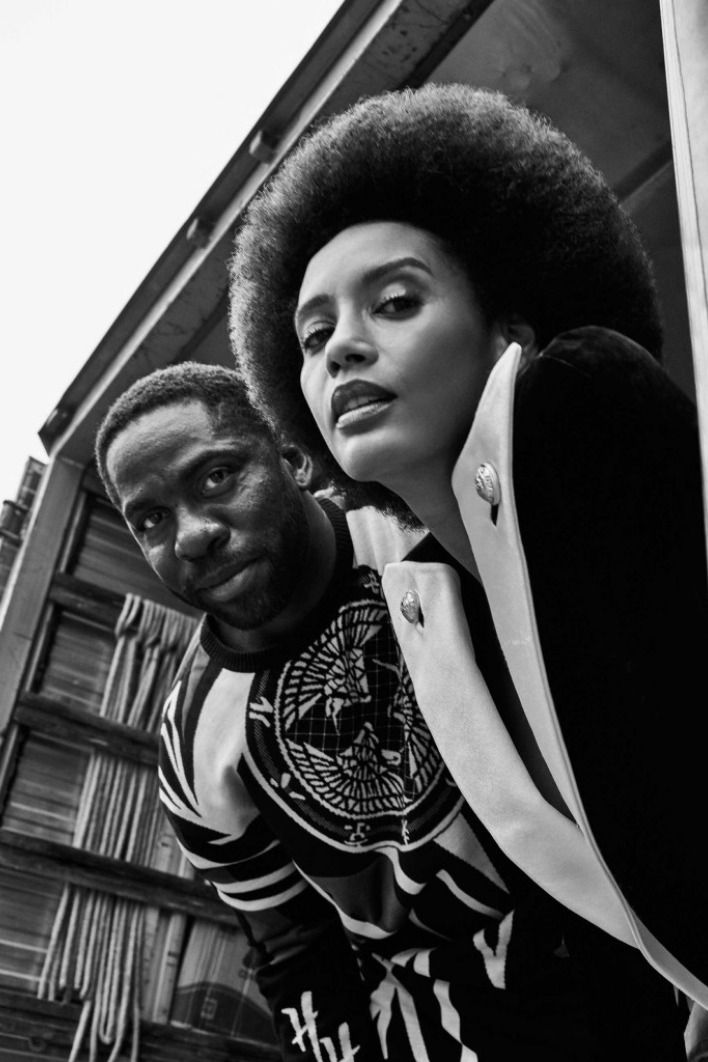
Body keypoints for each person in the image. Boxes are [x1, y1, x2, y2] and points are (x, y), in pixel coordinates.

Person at [227, 82, 708, 1046]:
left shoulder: (587, 401)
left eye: (396, 301)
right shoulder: (437, 618)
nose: (342, 351)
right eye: (312, 340)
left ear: (511, 331)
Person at [95, 361, 684, 1061]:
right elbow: (292, 947)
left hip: (626, 909)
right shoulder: (193, 747)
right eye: (151, 520)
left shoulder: (425, 522)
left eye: (216, 477)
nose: (191, 534)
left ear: (289, 454)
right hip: (458, 1023)